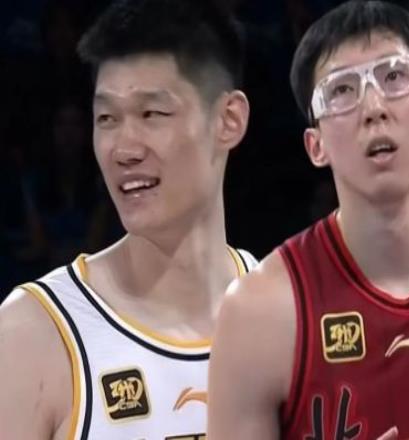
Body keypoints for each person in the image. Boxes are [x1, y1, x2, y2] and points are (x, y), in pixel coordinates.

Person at [207, 1, 409, 439]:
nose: (373, 107)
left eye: (394, 77)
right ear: (316, 146)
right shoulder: (257, 313)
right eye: (342, 91)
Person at [0, 0, 255, 438]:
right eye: (107, 118)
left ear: (228, 120)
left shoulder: (286, 312)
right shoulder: (30, 334)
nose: (124, 149)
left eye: (151, 114)